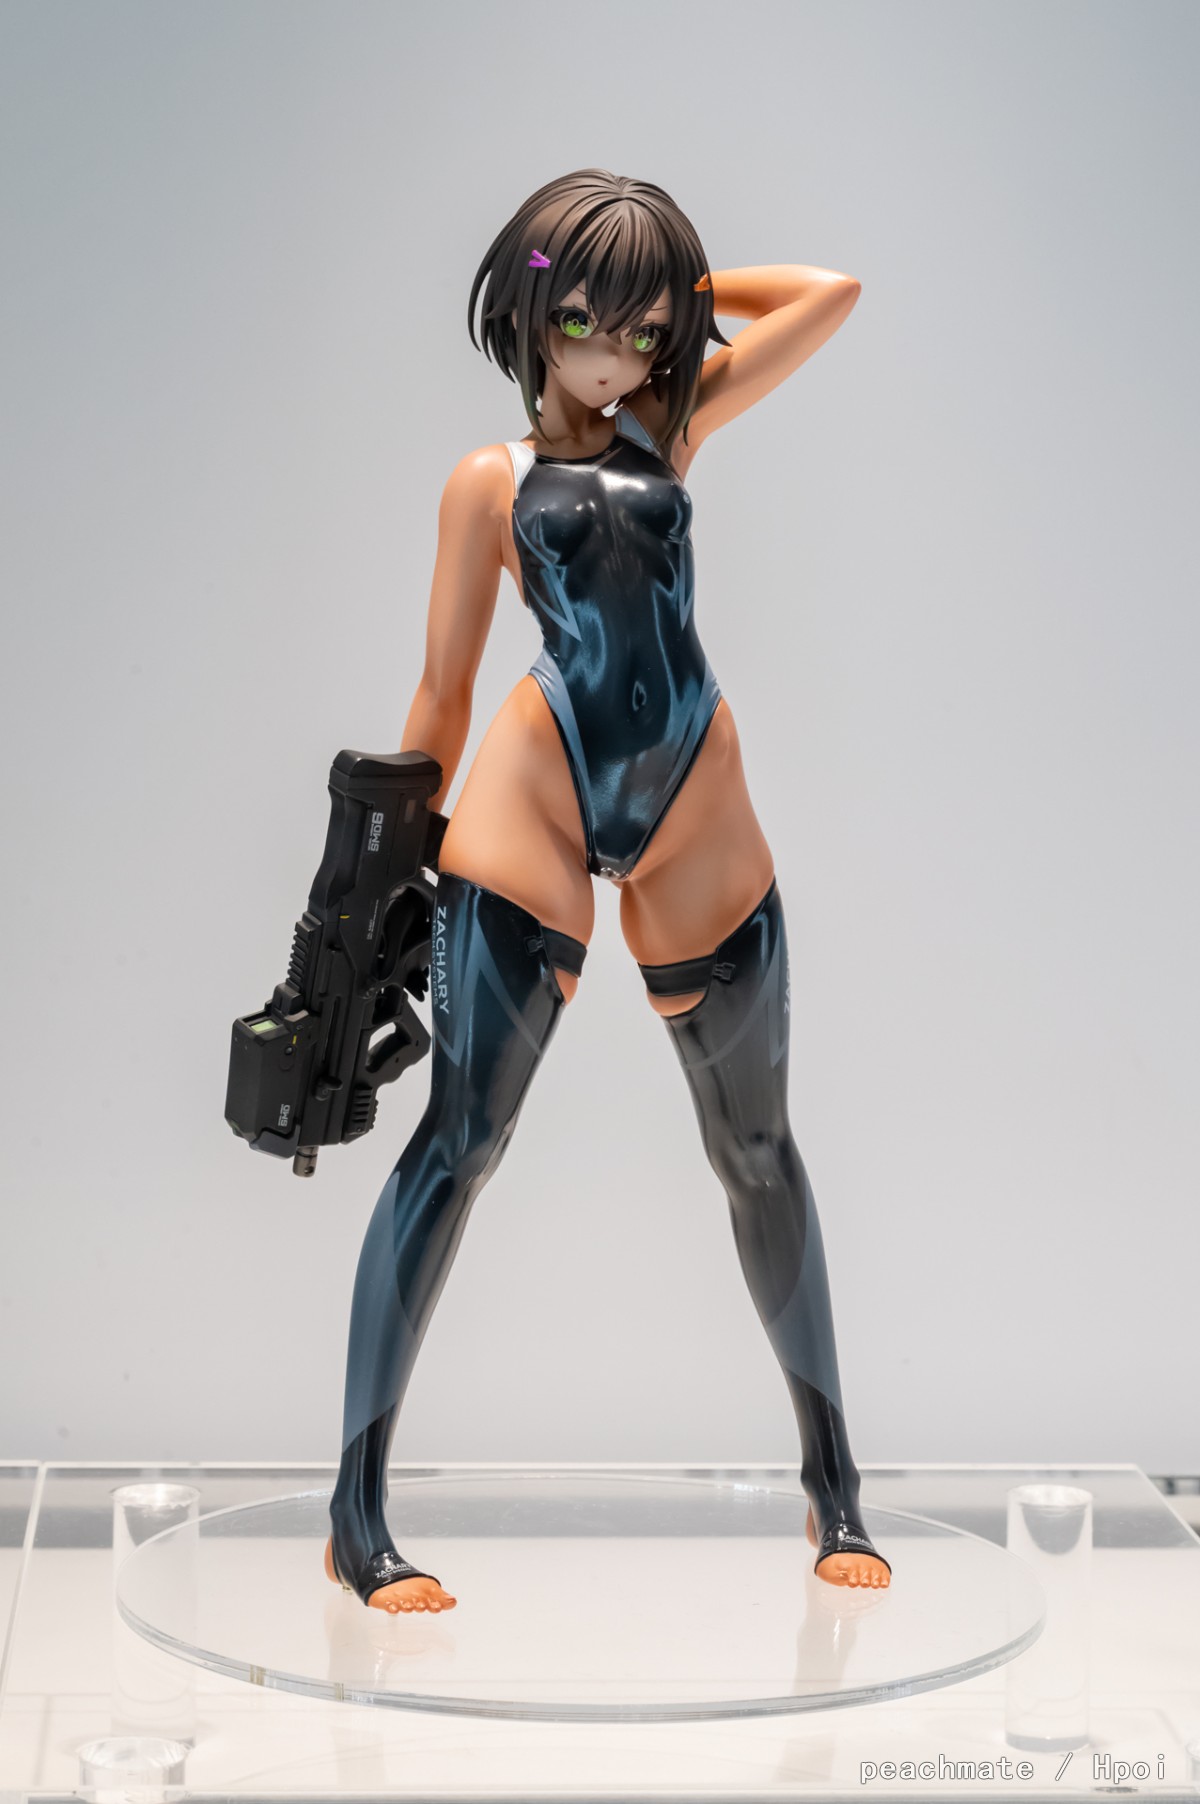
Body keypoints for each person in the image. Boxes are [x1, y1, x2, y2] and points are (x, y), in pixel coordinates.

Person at [324, 168, 892, 1613]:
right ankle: (357, 1512)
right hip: (537, 790)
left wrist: (674, 284)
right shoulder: (490, 480)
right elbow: (443, 687)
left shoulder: (673, 423)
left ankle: (836, 1489)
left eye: (645, 328)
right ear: (532, 311)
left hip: (696, 792)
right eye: (585, 316)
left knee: (757, 1148)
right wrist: (382, 869)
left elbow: (828, 296)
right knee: (460, 1145)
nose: (617, 352)